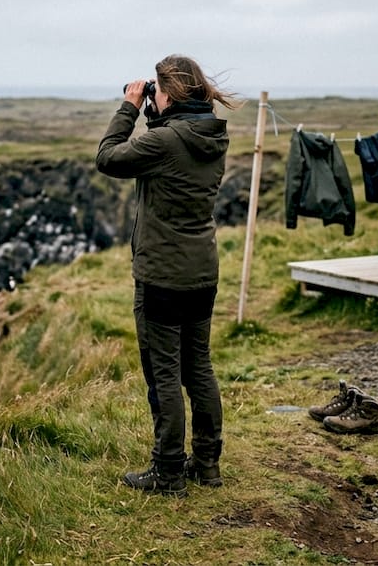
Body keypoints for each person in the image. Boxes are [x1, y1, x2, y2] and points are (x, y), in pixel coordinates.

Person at [95, 54, 242, 495]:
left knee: (164, 376)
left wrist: (128, 108)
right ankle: (208, 463)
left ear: (170, 93)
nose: (150, 96)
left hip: (161, 275)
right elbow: (172, 145)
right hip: (201, 273)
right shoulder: (211, 135)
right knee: (198, 368)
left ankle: (168, 471)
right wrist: (157, 116)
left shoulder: (164, 142)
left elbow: (109, 158)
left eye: (156, 90)